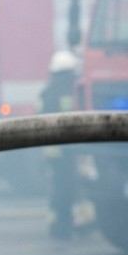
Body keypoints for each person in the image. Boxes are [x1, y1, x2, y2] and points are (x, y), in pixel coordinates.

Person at [39, 49, 91, 240]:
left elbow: (40, 120)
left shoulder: (47, 92)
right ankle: (82, 222)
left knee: (57, 189)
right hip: (73, 149)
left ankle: (57, 225)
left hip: (53, 151)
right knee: (77, 186)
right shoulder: (75, 90)